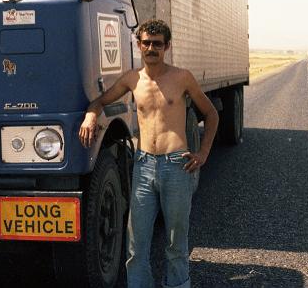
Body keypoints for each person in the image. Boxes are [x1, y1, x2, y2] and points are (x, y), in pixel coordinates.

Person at [79, 18, 219, 288]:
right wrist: (90, 115)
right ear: (138, 44)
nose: (151, 48)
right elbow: (100, 100)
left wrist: (202, 153)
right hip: (143, 167)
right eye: (146, 43)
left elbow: (211, 114)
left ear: (167, 46)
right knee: (136, 244)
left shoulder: (182, 77)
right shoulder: (133, 79)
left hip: (177, 166)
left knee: (176, 243)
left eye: (157, 44)